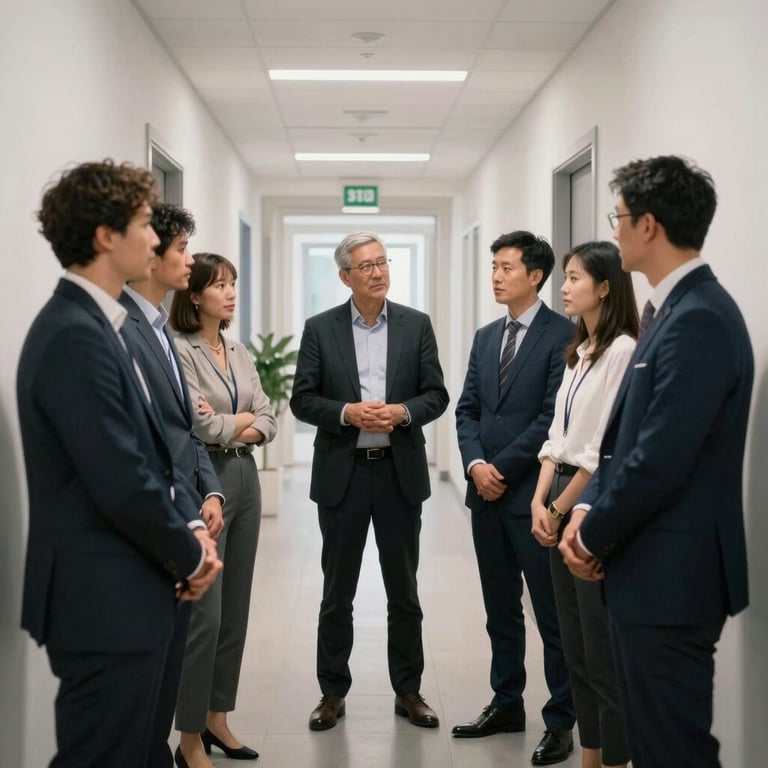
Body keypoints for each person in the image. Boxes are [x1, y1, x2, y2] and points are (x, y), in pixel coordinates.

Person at [18, 159, 222, 768]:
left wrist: (188, 529)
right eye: (144, 225)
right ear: (107, 236)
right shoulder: (74, 334)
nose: (156, 240)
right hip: (103, 599)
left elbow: (154, 450)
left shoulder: (102, 325)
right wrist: (191, 552)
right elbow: (120, 479)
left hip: (133, 586)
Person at [559, 155, 753, 768]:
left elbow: (660, 458)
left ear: (648, 226)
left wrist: (590, 534)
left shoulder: (699, 319)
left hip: (674, 578)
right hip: (648, 571)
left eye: (618, 217)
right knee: (652, 743)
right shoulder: (670, 311)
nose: (614, 231)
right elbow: (625, 441)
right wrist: (587, 506)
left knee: (673, 748)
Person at [290, 231, 449, 732]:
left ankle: (409, 691)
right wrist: (346, 413)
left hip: (399, 474)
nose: (378, 272)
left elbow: (436, 395)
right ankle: (332, 693)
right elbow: (302, 400)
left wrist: (402, 412)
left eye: (382, 262)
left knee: (404, 591)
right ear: (345, 276)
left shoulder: (415, 325)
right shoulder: (321, 328)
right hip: (345, 474)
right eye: (366, 266)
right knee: (337, 593)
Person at [454, 231, 576, 765]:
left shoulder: (563, 335)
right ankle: (507, 703)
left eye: (507, 267)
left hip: (534, 497)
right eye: (494, 267)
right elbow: (467, 410)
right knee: (499, 610)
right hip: (485, 498)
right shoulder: (486, 337)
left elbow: (553, 418)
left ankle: (561, 720)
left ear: (536, 275)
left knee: (551, 614)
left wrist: (500, 469)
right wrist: (475, 465)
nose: (497, 276)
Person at [119, 204, 225, 767]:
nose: (190, 260)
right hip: (157, 527)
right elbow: (142, 446)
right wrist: (185, 517)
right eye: (182, 249)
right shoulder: (121, 327)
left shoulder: (159, 327)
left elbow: (185, 430)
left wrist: (208, 492)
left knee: (163, 683)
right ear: (150, 256)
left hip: (186, 510)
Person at [531, 241, 637, 768]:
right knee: (574, 645)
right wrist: (538, 500)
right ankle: (590, 756)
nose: (564, 286)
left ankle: (613, 759)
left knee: (600, 649)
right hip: (556, 493)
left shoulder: (622, 351)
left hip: (586, 502)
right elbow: (557, 437)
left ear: (605, 287)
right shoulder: (580, 351)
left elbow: (600, 449)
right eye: (565, 276)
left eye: (574, 277)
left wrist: (559, 511)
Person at [170, 252, 277, 768]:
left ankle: (218, 718)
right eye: (219, 285)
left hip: (245, 477)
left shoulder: (236, 349)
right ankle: (188, 736)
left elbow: (269, 416)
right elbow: (200, 426)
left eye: (233, 283)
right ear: (195, 295)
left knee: (235, 610)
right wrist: (243, 421)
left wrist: (235, 422)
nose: (231, 292)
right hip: (204, 479)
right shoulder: (181, 349)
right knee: (205, 619)